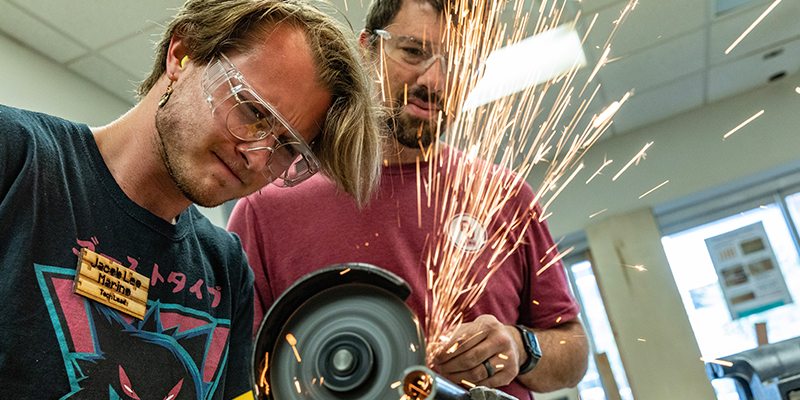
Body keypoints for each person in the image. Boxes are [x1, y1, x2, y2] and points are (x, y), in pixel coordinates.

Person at [0, 0, 382, 398]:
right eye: (252, 110)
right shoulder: (16, 157)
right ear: (181, 55)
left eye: (286, 147)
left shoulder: (226, 267)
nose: (257, 155)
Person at [227, 0, 589, 398]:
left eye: (459, 63)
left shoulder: (505, 195)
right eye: (413, 51)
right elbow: (238, 374)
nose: (434, 80)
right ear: (367, 51)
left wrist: (522, 348)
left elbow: (573, 353)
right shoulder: (266, 208)